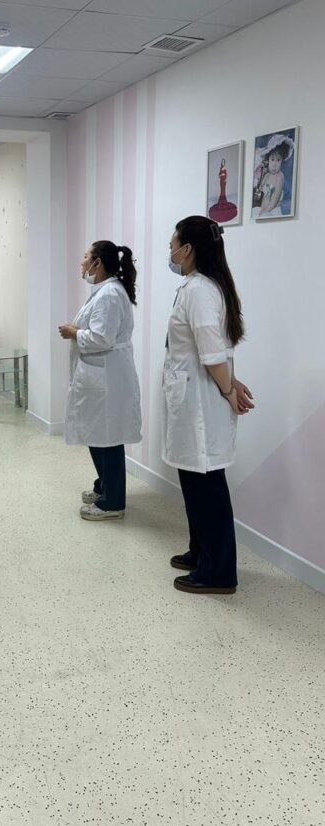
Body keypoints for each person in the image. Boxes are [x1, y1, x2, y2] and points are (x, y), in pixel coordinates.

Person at [164, 216, 254, 595]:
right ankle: (201, 552)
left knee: (206, 486)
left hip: (200, 403)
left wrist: (229, 390)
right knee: (195, 481)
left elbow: (213, 354)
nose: (170, 252)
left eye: (173, 246)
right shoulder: (201, 286)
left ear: (188, 250)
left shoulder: (200, 290)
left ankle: (218, 572)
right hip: (195, 396)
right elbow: (216, 348)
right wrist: (231, 382)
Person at [59, 241, 142, 521]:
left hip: (107, 377)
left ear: (98, 263)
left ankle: (113, 502)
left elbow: (101, 338)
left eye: (86, 257)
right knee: (98, 435)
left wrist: (73, 332)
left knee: (108, 439)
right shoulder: (105, 291)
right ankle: (104, 487)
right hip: (100, 377)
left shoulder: (110, 294)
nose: (82, 262)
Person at [251, 133, 294, 218]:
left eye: (278, 160)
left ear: (282, 161)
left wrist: (265, 211)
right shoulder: (267, 175)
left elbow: (275, 200)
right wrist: (261, 170)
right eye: (272, 159)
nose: (275, 164)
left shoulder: (280, 177)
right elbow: (259, 189)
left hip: (273, 210)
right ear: (268, 160)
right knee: (253, 212)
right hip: (262, 209)